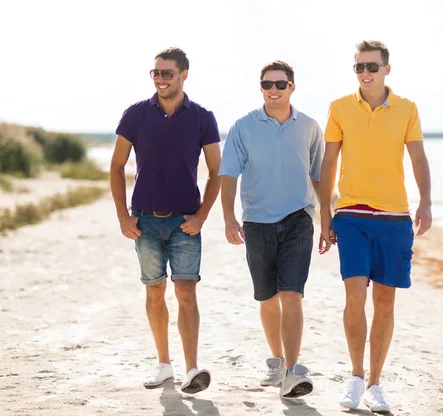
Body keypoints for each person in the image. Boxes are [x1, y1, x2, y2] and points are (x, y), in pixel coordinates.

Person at [319, 40, 433, 413]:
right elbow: (329, 164)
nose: (365, 73)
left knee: (385, 304)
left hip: (395, 218)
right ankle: (354, 376)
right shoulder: (338, 108)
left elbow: (418, 158)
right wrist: (325, 213)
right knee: (354, 297)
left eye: (372, 66)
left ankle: (374, 384)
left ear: (387, 68)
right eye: (359, 67)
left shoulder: (407, 109)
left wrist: (426, 202)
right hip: (351, 215)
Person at [109, 47, 222, 393]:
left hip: (185, 223)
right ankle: (163, 364)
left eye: (167, 74)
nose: (160, 79)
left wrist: (202, 215)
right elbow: (116, 166)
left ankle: (192, 369)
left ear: (184, 74)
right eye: (155, 73)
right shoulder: (136, 115)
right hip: (144, 222)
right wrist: (123, 216)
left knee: (186, 292)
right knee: (155, 291)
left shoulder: (202, 117)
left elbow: (217, 171)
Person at [218, 60, 324, 398]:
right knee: (267, 297)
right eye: (267, 85)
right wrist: (228, 218)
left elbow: (319, 175)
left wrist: (327, 220)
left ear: (293, 86)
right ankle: (277, 362)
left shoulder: (308, 126)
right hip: (257, 222)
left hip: (298, 219)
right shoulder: (243, 127)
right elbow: (228, 175)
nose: (273, 90)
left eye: (280, 84)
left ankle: (292, 372)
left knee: (292, 294)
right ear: (260, 87)